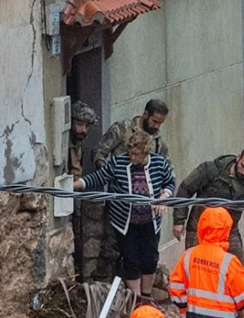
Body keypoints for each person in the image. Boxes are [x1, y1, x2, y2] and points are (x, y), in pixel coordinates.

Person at [76, 130, 175, 303]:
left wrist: (163, 197)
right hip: (126, 222)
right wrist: (77, 184)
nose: (132, 157)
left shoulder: (159, 163)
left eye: (136, 154)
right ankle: (135, 299)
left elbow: (170, 182)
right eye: (130, 153)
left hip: (150, 221)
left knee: (149, 258)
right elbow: (99, 177)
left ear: (146, 153)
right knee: (131, 259)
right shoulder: (118, 163)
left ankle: (146, 296)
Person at [171, 147, 244, 255]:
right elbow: (185, 188)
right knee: (197, 265)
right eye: (242, 166)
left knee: (238, 268)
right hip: (200, 229)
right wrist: (179, 221)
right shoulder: (211, 170)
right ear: (238, 158)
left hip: (229, 232)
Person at [69, 100, 98, 282]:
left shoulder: (79, 142)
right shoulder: (67, 143)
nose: (83, 130)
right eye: (79, 125)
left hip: (77, 194)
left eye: (86, 126)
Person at [94, 99, 170, 167]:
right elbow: (99, 152)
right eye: (154, 121)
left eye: (160, 123)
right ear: (146, 114)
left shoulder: (159, 141)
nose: (157, 126)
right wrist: (105, 171)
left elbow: (167, 166)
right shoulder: (122, 128)